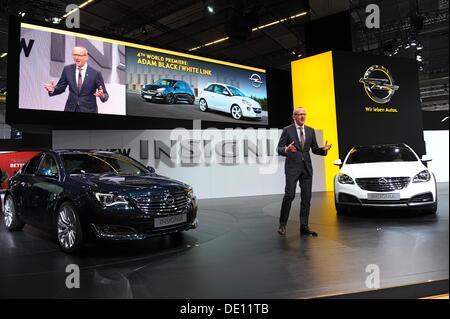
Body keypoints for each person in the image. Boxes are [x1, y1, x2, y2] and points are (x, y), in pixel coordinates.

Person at [277, 107, 332, 237]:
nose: (302, 116)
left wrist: (323, 149)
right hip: (292, 168)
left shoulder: (310, 130)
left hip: (306, 168)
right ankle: (282, 225)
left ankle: (304, 226)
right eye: (299, 114)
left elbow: (314, 149)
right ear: (294, 116)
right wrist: (286, 149)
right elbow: (279, 148)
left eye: (304, 114)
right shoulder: (287, 130)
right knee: (289, 195)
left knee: (306, 198)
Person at [44, 46, 109, 113]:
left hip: (89, 110)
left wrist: (102, 95)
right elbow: (61, 87)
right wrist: (53, 90)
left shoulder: (95, 74)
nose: (76, 58)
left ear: (86, 57)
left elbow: (105, 95)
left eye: (79, 55)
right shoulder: (67, 70)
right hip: (70, 109)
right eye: (74, 55)